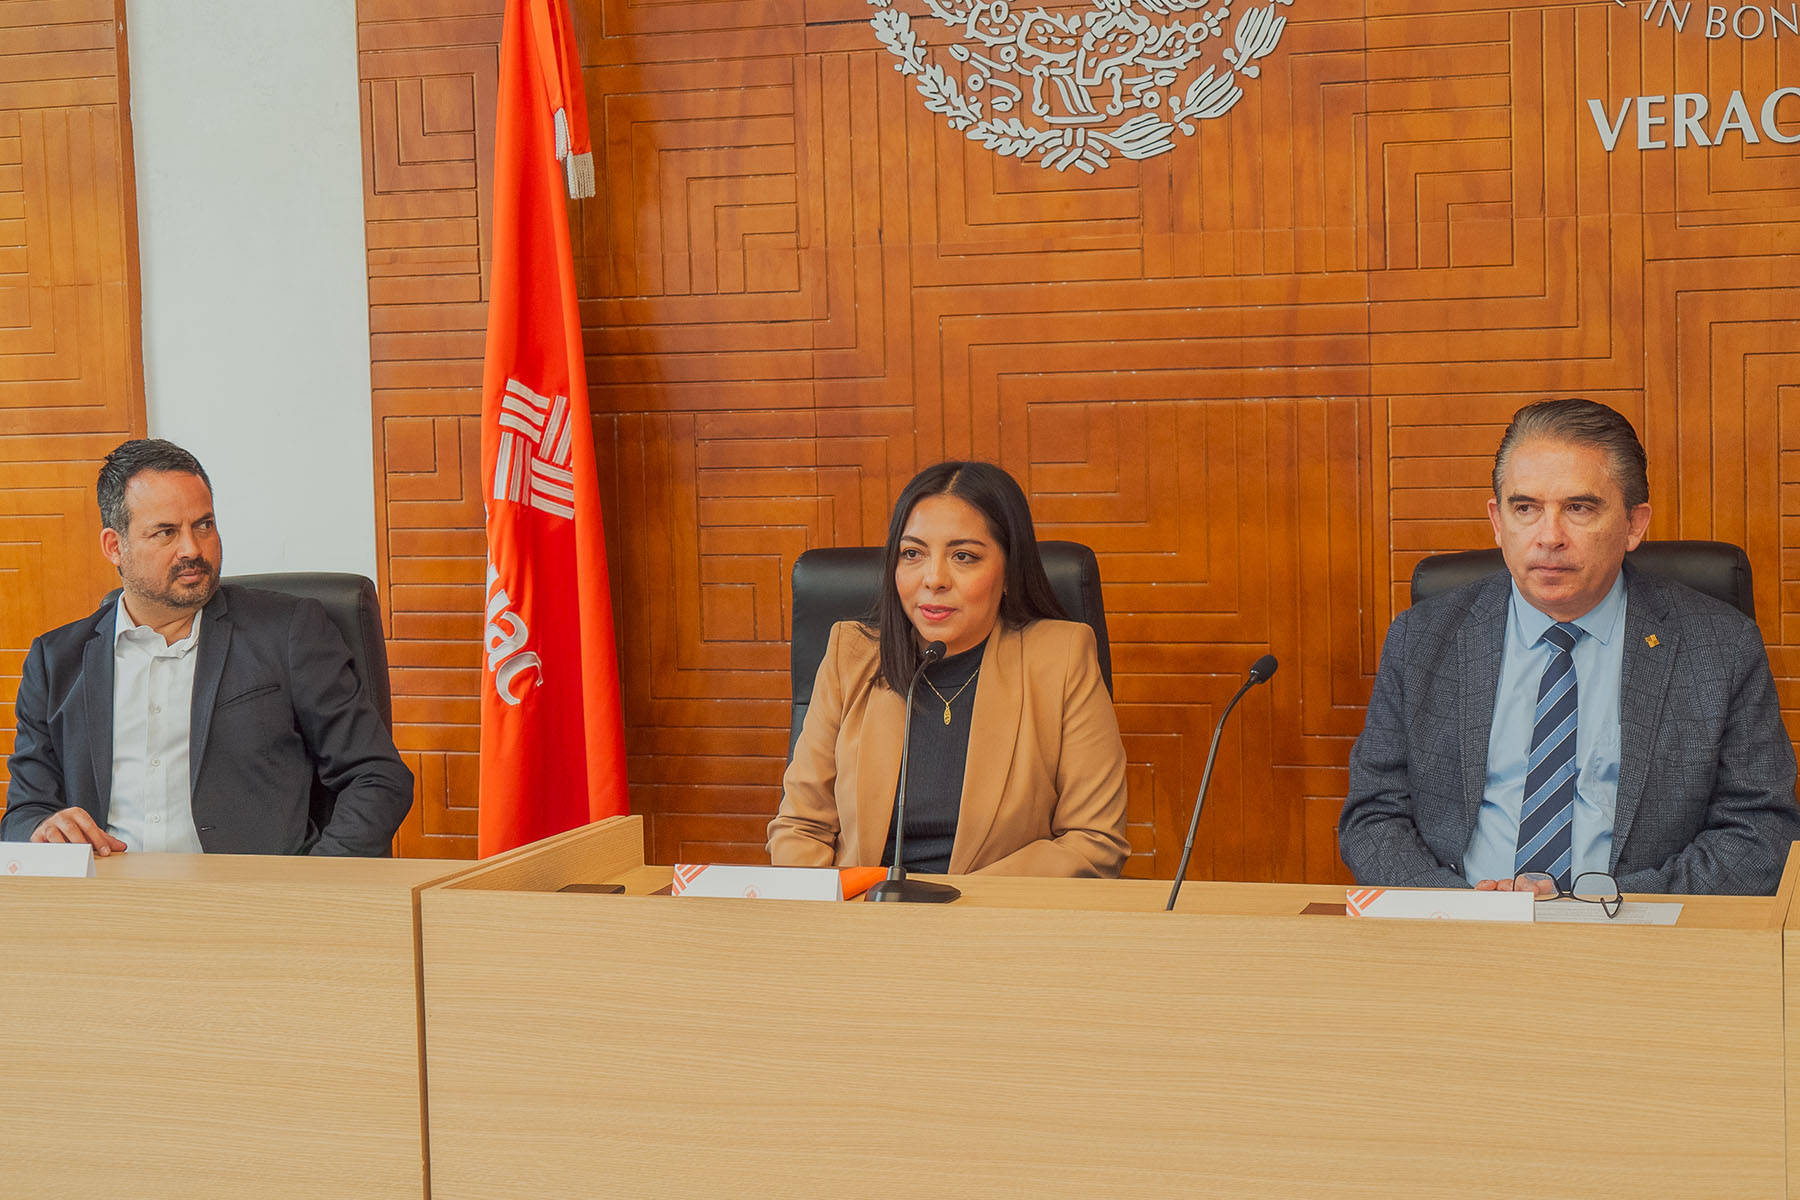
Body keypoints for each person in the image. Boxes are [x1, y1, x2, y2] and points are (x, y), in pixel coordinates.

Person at [1340, 399, 1800, 895]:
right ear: (1498, 521)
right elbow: (1374, 816)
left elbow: (1761, 832)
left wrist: (1608, 908)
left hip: (1635, 941)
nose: (1549, 536)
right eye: (1526, 508)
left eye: (1579, 508)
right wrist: (1461, 912)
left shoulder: (1719, 646)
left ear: (1634, 524)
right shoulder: (1423, 638)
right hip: (1459, 934)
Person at [2, 439, 414, 856]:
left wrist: (315, 886)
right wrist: (42, 828)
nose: (193, 549)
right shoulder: (56, 661)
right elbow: (23, 813)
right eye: (166, 532)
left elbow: (377, 776)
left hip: (249, 905)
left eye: (203, 525)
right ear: (114, 546)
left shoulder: (288, 631)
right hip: (110, 902)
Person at [768, 461, 1129, 877]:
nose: (934, 578)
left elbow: (1093, 840)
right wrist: (840, 915)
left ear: (1009, 571)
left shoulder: (1061, 658)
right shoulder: (850, 655)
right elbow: (801, 827)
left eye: (963, 556)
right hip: (863, 920)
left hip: (998, 925)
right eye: (913, 554)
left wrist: (958, 909)